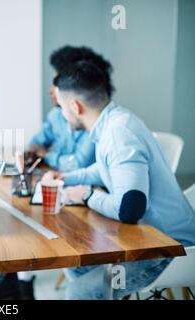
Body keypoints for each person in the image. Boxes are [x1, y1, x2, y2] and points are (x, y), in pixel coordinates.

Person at [43, 60, 195, 299]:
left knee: (80, 291)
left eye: (61, 107)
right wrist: (67, 177)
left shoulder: (118, 134)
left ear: (75, 106)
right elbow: (104, 169)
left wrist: (87, 195)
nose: (62, 114)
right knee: (75, 263)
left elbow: (129, 209)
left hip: (167, 248)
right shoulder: (115, 120)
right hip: (146, 238)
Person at [0, 46, 111, 300]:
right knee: (17, 213)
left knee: (26, 219)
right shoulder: (57, 115)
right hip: (63, 188)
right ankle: (16, 282)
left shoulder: (96, 123)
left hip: (86, 203)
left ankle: (16, 282)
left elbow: (78, 163)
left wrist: (46, 155)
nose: (52, 89)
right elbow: (37, 142)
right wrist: (30, 153)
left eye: (58, 82)